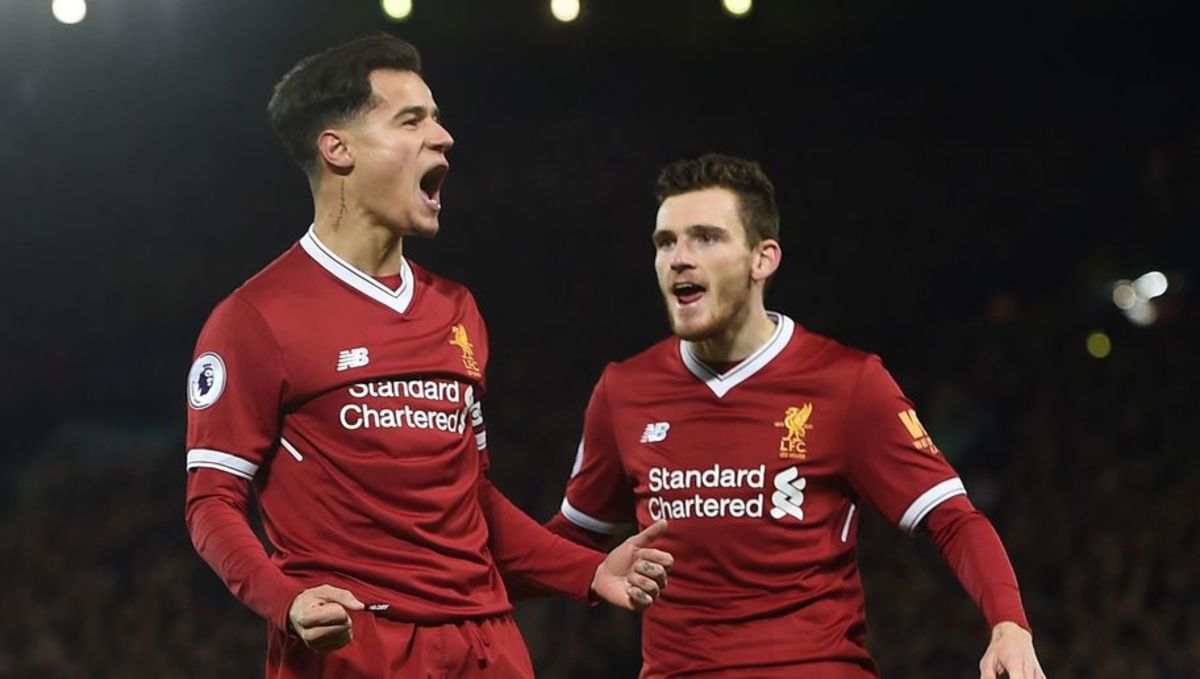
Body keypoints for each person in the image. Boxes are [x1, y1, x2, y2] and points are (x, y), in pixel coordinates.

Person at [183, 34, 672, 678]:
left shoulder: (456, 309)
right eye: (411, 121)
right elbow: (211, 502)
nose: (443, 138)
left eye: (436, 120)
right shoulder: (255, 318)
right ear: (338, 149)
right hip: (359, 647)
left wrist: (588, 570)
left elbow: (473, 500)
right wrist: (287, 600)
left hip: (489, 646)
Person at [541, 153, 1046, 678]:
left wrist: (1008, 623)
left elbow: (952, 518)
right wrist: (479, 553)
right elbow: (568, 542)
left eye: (705, 238)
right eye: (665, 242)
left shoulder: (846, 383)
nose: (678, 258)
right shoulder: (624, 391)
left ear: (763, 259)